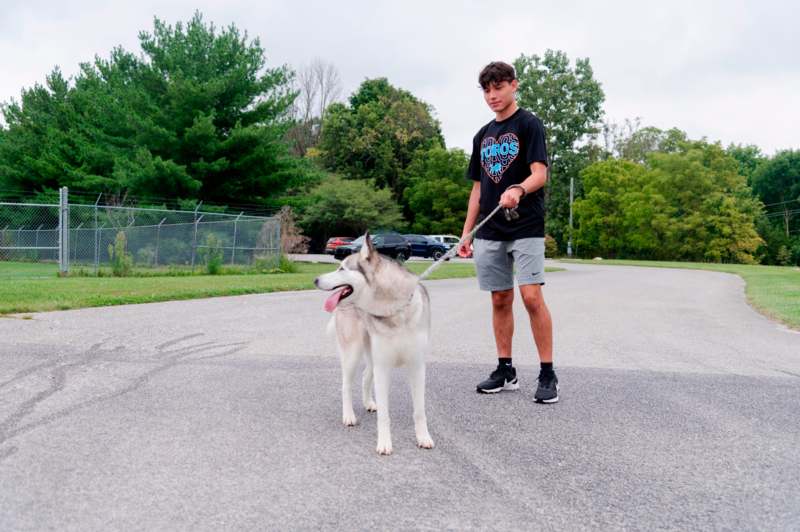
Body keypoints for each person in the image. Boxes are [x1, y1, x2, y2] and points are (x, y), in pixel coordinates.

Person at [458, 61, 558, 403]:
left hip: (525, 224)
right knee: (500, 299)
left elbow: (540, 174)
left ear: (513, 85)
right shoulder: (482, 135)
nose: (492, 95)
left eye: (498, 87)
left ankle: (547, 373)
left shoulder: (529, 124)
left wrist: (518, 189)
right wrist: (466, 232)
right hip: (490, 230)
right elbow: (477, 189)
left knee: (531, 297)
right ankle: (506, 370)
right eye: (486, 90)